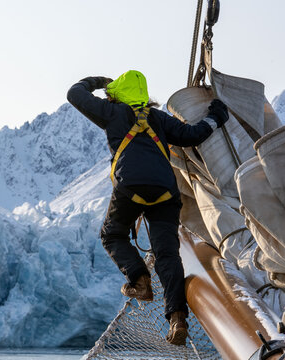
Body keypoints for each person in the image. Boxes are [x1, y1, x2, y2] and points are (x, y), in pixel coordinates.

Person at [66, 70, 228, 345]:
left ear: (117, 95)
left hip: (130, 188)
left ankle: (139, 280)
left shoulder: (112, 113)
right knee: (167, 254)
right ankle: (177, 318)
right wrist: (216, 115)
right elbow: (193, 134)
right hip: (165, 191)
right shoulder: (158, 118)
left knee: (112, 234)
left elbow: (74, 94)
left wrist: (98, 82)